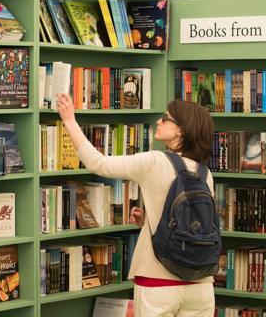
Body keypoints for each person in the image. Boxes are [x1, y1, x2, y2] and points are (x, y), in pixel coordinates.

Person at [56, 93, 215, 316]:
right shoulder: (204, 173)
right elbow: (192, 225)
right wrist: (147, 223)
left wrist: (70, 121)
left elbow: (98, 163)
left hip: (158, 281)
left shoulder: (155, 161)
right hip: (202, 285)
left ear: (181, 130)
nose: (158, 122)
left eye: (165, 118)